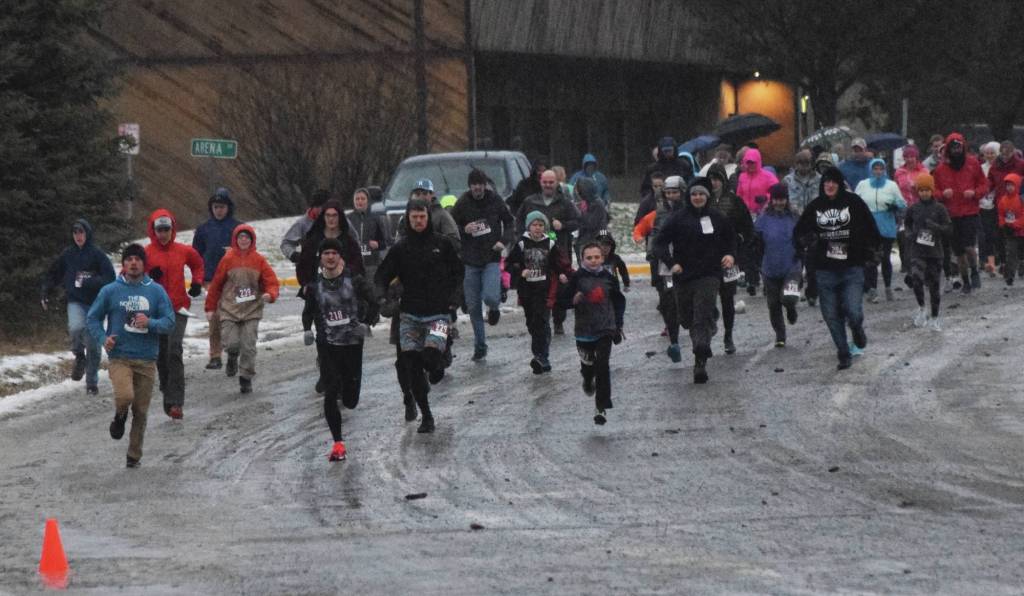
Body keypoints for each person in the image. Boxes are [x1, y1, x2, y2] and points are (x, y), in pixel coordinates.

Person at [374, 199, 463, 434]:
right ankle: (427, 416)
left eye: (422, 217)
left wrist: (455, 297)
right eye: (414, 218)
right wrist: (382, 297)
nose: (419, 221)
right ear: (408, 219)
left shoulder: (442, 245)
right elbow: (382, 276)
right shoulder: (401, 249)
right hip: (409, 315)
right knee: (410, 364)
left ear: (428, 217)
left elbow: (458, 272)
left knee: (432, 357)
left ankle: (438, 363)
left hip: (439, 315)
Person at [86, 244, 175, 468]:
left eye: (137, 259)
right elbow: (92, 318)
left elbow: (170, 321)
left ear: (144, 265)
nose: (133, 263)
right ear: (123, 265)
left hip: (146, 359)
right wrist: (102, 338)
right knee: (125, 396)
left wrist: (151, 323)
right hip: (120, 356)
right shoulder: (110, 291)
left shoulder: (155, 291)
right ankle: (119, 416)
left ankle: (133, 455)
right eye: (129, 259)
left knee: (142, 411)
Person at [794, 166, 881, 370]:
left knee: (853, 310)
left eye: (833, 181)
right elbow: (799, 233)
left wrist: (873, 252)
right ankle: (843, 352)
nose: (829, 185)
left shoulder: (854, 203)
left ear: (840, 184)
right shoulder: (815, 206)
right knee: (831, 315)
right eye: (826, 182)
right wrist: (807, 241)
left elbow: (871, 229)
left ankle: (857, 328)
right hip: (825, 269)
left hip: (852, 267)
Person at [652, 178, 736, 383]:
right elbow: (659, 243)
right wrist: (671, 263)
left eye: (701, 194)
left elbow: (731, 239)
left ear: (707, 197)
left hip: (709, 274)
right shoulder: (678, 218)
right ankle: (709, 322)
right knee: (687, 319)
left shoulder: (717, 217)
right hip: (684, 275)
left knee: (700, 316)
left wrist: (731, 255)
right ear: (689, 197)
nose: (698, 197)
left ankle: (700, 359)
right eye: (694, 194)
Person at [302, 237, 378, 462]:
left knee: (350, 400)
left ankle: (347, 391)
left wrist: (367, 322)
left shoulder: (354, 280)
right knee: (331, 389)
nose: (330, 257)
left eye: (334, 253)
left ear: (340, 256)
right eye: (326, 253)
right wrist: (307, 329)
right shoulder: (315, 285)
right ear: (321, 258)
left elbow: (374, 302)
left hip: (352, 343)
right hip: (327, 345)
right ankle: (337, 443)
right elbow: (308, 310)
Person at [41, 219, 115, 394]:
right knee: (75, 327)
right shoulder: (67, 255)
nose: (78, 236)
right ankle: (79, 355)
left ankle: (91, 383)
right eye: (75, 233)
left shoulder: (97, 254)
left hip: (96, 304)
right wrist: (45, 291)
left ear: (87, 233)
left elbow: (110, 277)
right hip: (75, 301)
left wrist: (91, 281)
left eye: (81, 232)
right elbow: (53, 274)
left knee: (94, 344)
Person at [203, 225, 280, 394]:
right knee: (232, 343)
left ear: (252, 240)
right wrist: (210, 307)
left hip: (252, 310)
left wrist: (270, 294)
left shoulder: (259, 260)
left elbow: (271, 281)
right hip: (230, 309)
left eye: (247, 237)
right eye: (240, 237)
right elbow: (216, 285)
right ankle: (232, 356)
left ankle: (245, 377)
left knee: (249, 345)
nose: (244, 240)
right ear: (235, 240)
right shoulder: (227, 259)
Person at [450, 168, 515, 361]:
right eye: (474, 184)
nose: (477, 187)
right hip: (470, 260)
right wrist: (464, 229)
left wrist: (503, 241)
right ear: (469, 186)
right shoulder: (462, 203)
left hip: (491, 258)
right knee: (472, 306)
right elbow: (451, 228)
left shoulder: (495, 200)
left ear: (485, 185)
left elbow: (510, 223)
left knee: (490, 297)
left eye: (480, 184)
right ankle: (480, 346)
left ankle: (494, 308)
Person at [145, 209, 204, 420]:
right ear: (153, 231)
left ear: (173, 229)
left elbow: (198, 264)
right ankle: (167, 390)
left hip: (178, 308)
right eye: (159, 230)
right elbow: (128, 273)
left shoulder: (183, 250)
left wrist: (196, 282)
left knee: (174, 350)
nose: (163, 234)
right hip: (155, 312)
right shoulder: (146, 253)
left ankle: (176, 401)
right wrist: (148, 277)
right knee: (160, 355)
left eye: (166, 229)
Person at [566, 241, 625, 425]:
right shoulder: (576, 278)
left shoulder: (609, 278)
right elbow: (563, 300)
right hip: (584, 330)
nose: (593, 261)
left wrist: (618, 325)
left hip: (605, 328)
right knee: (589, 366)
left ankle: (601, 407)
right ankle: (587, 376)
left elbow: (618, 302)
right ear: (582, 259)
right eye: (589, 258)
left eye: (597, 257)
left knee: (603, 365)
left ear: (602, 258)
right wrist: (572, 300)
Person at [516, 169, 581, 335]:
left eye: (551, 182)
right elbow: (518, 221)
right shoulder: (530, 201)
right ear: (540, 182)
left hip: (558, 251)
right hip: (534, 253)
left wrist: (563, 225)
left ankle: (558, 321)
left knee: (559, 287)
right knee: (538, 288)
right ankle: (538, 320)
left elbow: (578, 221)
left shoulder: (565, 202)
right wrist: (521, 239)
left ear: (557, 183)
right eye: (545, 182)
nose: (548, 185)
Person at [506, 211, 571, 374]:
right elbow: (510, 263)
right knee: (532, 323)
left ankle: (541, 357)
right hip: (527, 290)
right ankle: (541, 356)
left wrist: (562, 273)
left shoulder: (549, 243)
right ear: (529, 226)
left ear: (545, 227)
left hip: (545, 289)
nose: (537, 228)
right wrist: (521, 271)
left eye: (541, 225)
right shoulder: (521, 243)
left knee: (541, 321)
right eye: (534, 225)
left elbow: (557, 263)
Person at [633, 175, 686, 361]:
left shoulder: (690, 210)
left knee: (686, 301)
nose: (671, 196)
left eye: (675, 192)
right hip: (665, 264)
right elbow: (651, 234)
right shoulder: (659, 213)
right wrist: (654, 254)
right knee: (668, 302)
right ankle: (674, 341)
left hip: (689, 262)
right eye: (668, 192)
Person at [191, 187, 241, 370]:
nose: (218, 210)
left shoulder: (237, 228)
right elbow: (195, 256)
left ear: (229, 207)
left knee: (233, 316)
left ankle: (233, 351)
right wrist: (199, 278)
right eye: (215, 206)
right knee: (214, 317)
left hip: (234, 280)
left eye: (222, 206)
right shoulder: (203, 230)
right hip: (211, 279)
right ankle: (215, 355)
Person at [933, 132, 989, 294]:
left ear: (963, 147)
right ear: (948, 149)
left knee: (969, 246)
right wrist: (943, 194)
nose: (956, 150)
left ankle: (975, 271)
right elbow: (933, 190)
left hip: (969, 212)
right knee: (958, 252)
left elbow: (984, 185)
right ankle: (965, 281)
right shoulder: (940, 169)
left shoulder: (973, 164)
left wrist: (975, 193)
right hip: (950, 214)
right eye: (953, 147)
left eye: (958, 146)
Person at [707, 163, 752, 353]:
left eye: (717, 179)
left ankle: (728, 335)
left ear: (723, 180)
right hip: (707, 257)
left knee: (727, 298)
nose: (714, 183)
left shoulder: (734, 201)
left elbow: (748, 227)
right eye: (711, 179)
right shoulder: (702, 200)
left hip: (730, 257)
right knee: (707, 296)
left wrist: (739, 242)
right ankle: (711, 320)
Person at [755, 184, 801, 347]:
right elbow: (757, 241)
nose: (779, 202)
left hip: (792, 266)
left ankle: (791, 308)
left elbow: (803, 237)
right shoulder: (763, 218)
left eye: (782, 199)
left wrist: (802, 252)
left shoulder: (794, 216)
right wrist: (756, 263)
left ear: (786, 200)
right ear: (771, 200)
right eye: (776, 199)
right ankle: (780, 335)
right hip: (770, 267)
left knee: (789, 297)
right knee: (773, 303)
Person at [854, 158, 907, 303]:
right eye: (875, 169)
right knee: (870, 259)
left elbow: (902, 203)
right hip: (868, 226)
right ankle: (872, 290)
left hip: (886, 225)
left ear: (884, 170)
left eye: (880, 169)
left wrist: (895, 206)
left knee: (885, 258)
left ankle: (888, 288)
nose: (878, 171)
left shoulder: (891, 185)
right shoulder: (863, 185)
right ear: (870, 170)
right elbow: (854, 202)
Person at [904, 173, 952, 330]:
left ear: (932, 190)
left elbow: (949, 229)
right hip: (917, 251)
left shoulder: (940, 208)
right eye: (921, 190)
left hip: (935, 253)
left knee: (934, 286)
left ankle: (935, 317)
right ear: (917, 191)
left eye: (927, 190)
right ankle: (922, 308)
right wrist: (910, 234)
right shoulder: (913, 208)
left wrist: (935, 227)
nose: (924, 193)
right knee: (916, 278)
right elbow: (907, 224)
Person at [986, 141, 1024, 276]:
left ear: (1013, 152)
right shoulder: (996, 165)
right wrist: (987, 189)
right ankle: (1004, 262)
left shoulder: (1020, 164)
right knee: (1000, 235)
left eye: (1008, 154)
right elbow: (990, 180)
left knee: (1018, 235)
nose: (1005, 157)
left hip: (1018, 205)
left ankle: (1020, 261)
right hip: (1000, 204)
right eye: (1003, 154)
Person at [347, 187, 390, 281]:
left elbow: (384, 243)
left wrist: (378, 244)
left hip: (371, 264)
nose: (360, 201)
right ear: (353, 201)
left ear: (368, 201)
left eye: (363, 199)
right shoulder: (348, 219)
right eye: (357, 199)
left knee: (370, 291)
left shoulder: (376, 219)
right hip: (353, 264)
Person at [281, 189, 329, 264]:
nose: (322, 211)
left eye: (325, 208)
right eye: (318, 207)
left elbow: (353, 239)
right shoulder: (302, 223)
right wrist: (294, 255)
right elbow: (286, 243)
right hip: (311, 266)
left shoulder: (339, 220)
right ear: (313, 207)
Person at [572, 178, 609, 264]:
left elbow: (591, 223)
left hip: (593, 241)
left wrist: (578, 213)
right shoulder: (587, 202)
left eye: (578, 190)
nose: (577, 192)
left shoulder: (597, 204)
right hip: (584, 240)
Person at [997, 173, 1024, 286]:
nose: (1009, 187)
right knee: (1011, 253)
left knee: (1022, 253)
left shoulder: (1021, 199)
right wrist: (1003, 224)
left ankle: (1022, 269)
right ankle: (1010, 276)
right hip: (1010, 231)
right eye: (1007, 185)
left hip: (1021, 231)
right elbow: (1001, 214)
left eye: (1011, 185)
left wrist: (1016, 224)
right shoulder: (1003, 200)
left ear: (1017, 185)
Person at [735, 147, 779, 217]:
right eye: (748, 162)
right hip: (746, 214)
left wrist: (766, 197)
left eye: (753, 162)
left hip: (764, 213)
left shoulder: (768, 176)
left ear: (758, 161)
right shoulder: (742, 177)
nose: (751, 165)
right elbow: (739, 195)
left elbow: (778, 192)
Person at [783, 149, 820, 215]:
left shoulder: (819, 179)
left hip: (814, 217)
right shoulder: (787, 180)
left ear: (811, 164)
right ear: (796, 164)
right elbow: (784, 200)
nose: (804, 166)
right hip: (794, 218)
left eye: (807, 163)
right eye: (801, 163)